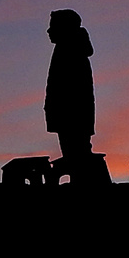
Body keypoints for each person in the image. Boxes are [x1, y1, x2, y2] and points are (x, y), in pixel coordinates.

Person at [46, 9, 95, 162]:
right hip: (65, 111)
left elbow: (68, 87)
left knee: (77, 149)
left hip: (71, 111)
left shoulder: (71, 51)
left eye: (53, 26)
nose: (48, 30)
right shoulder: (64, 49)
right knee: (71, 149)